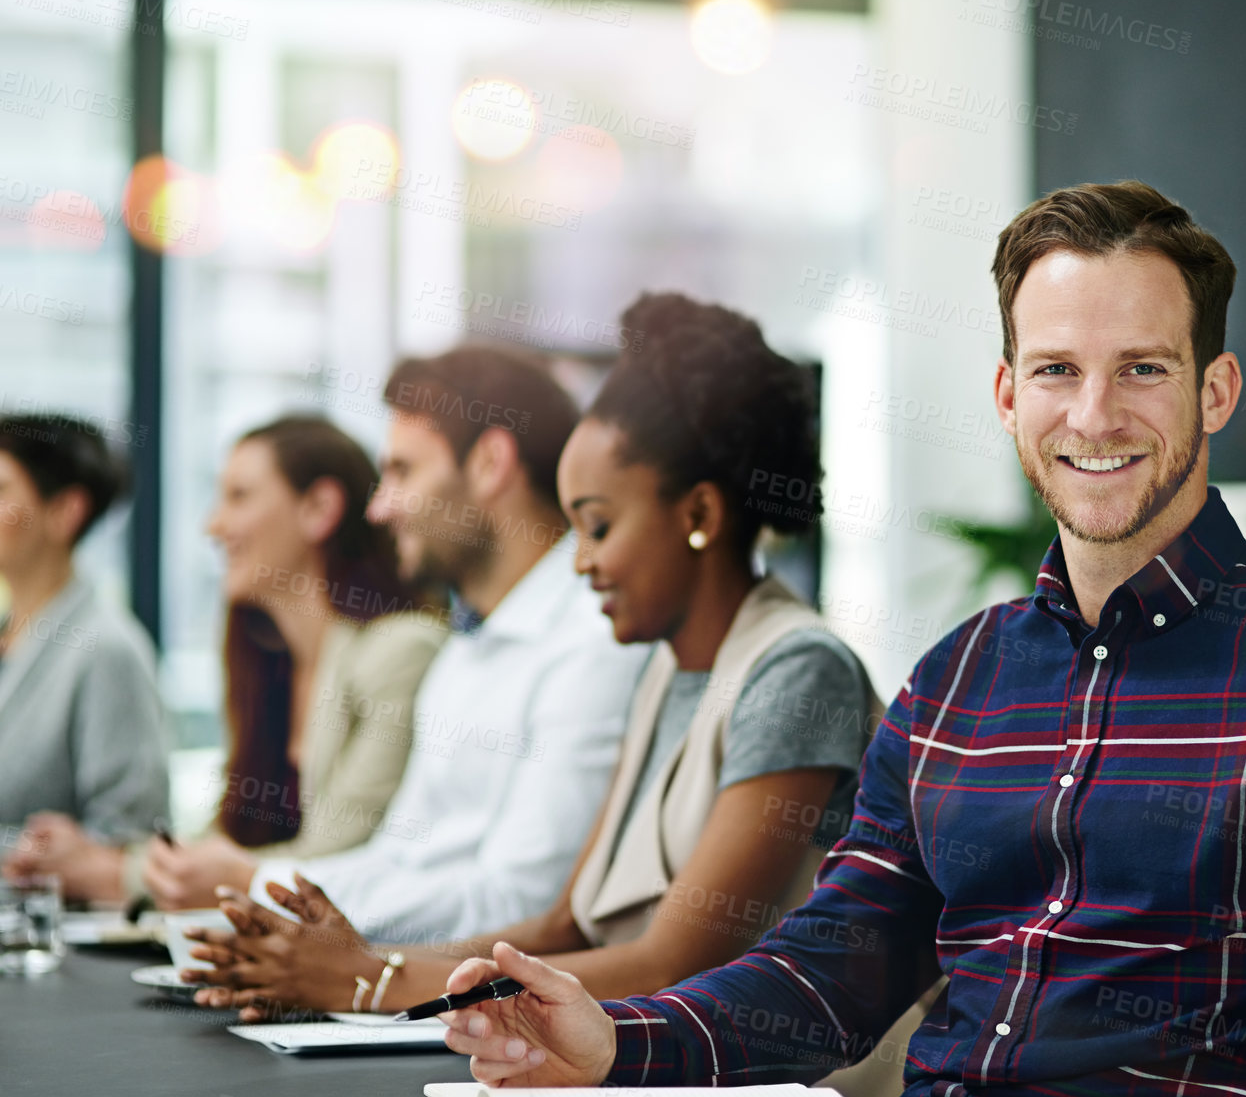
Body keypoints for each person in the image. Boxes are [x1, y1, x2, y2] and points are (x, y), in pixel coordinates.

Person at [434, 183, 1246, 1097]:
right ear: (1007, 392)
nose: (1094, 415)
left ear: (1215, 391)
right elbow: (835, 972)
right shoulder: (957, 683)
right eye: (1056, 371)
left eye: (1144, 370)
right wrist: (616, 1043)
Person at [184, 294, 881, 1034]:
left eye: (600, 526)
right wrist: (351, 961)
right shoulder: (659, 673)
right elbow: (563, 926)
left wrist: (375, 979)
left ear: (700, 517)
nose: (579, 562)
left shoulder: (795, 668)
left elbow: (670, 964)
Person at [226, 345, 647, 943]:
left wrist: (261, 889)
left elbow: (525, 901)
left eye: (402, 472)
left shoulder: (593, 638)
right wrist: (260, 892)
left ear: (490, 463)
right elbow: (398, 858)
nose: (379, 508)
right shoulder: (464, 647)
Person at [15, 416, 448, 906]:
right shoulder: (269, 665)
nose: (213, 525)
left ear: (319, 508)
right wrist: (95, 858)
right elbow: (220, 841)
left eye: (238, 497)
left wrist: (117, 872)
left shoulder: (400, 651)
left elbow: (329, 861)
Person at [0, 414, 167, 891]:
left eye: (1, 489)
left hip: (55, 949)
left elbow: (127, 842)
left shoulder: (106, 650)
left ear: (65, 511)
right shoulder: (11, 636)